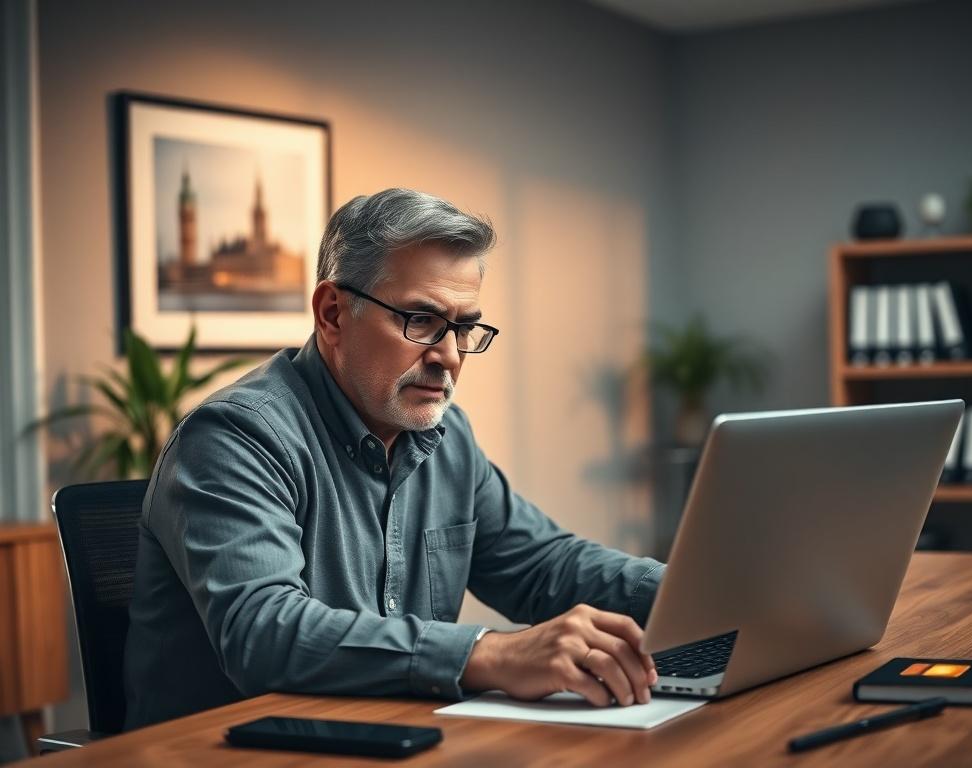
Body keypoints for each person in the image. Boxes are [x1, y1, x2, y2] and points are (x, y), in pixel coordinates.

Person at [123, 188, 666, 729]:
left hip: (389, 741)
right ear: (333, 313)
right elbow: (265, 633)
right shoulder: (235, 438)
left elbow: (542, 566)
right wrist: (491, 654)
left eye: (464, 328)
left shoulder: (445, 437)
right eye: (421, 320)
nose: (450, 356)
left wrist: (684, 591)